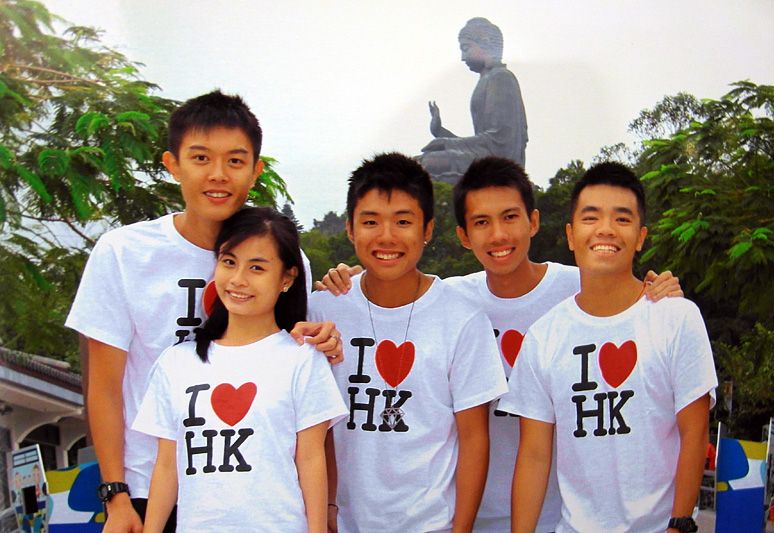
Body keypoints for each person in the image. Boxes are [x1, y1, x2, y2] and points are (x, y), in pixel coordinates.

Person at [318, 156, 683, 532]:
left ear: (533, 221)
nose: (498, 235)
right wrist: (350, 276)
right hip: (465, 511)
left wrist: (662, 291)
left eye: (510, 217)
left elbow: (630, 300)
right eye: (481, 222)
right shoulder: (455, 301)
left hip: (560, 513)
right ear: (463, 235)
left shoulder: (578, 290)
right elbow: (396, 283)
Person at [66, 90, 342, 533]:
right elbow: (104, 386)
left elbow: (296, 379)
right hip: (149, 485)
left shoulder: (287, 260)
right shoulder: (124, 252)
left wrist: (323, 336)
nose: (218, 175)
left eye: (235, 160)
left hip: (260, 496)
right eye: (200, 158)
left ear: (255, 170)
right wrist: (115, 496)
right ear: (173, 164)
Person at [499, 162, 716, 533]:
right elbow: (534, 455)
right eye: (591, 217)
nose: (605, 229)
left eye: (622, 218)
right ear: (571, 235)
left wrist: (679, 525)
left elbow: (694, 433)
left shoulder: (676, 318)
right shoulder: (544, 337)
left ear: (640, 236)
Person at [309, 153, 508, 532]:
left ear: (427, 228)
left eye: (403, 221)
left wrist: (461, 529)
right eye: (371, 221)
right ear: (350, 229)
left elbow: (474, 439)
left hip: (430, 523)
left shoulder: (462, 319)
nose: (387, 237)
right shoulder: (323, 310)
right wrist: (326, 507)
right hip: (343, 522)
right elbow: (315, 428)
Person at [132, 207, 346, 533]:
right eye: (229, 262)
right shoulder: (176, 363)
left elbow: (311, 459)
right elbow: (166, 466)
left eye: (257, 267)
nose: (238, 280)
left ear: (287, 278)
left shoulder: (302, 359)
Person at [419, 17, 528, 184]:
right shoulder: (487, 79)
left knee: (429, 162)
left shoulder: (501, 78)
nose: (463, 57)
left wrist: (448, 143)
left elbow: (500, 140)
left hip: (500, 163)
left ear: (485, 43)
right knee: (417, 163)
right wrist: (441, 132)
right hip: (484, 156)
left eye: (466, 48)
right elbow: (482, 142)